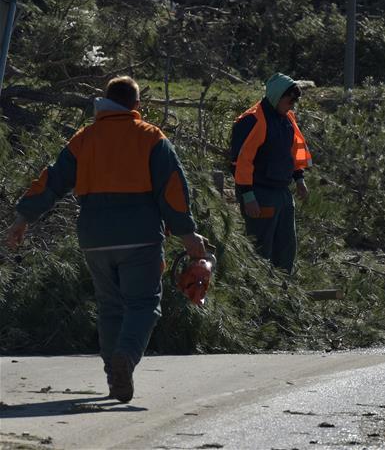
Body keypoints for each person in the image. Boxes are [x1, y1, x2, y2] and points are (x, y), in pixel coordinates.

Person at [4, 76, 206, 403]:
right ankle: (124, 357)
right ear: (137, 106)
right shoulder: (151, 137)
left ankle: (115, 376)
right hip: (139, 237)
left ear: (105, 102)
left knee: (111, 308)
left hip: (94, 239)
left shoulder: (85, 138)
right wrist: (187, 233)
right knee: (143, 304)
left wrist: (22, 218)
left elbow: (51, 179)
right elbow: (172, 190)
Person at [230, 73, 312, 274]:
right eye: (289, 100)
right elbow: (241, 163)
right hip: (260, 194)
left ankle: (283, 293)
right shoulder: (251, 120)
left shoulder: (287, 119)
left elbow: (292, 152)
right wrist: (248, 196)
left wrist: (299, 179)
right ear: (276, 96)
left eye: (295, 101)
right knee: (260, 250)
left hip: (283, 193)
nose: (292, 105)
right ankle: (258, 294)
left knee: (286, 249)